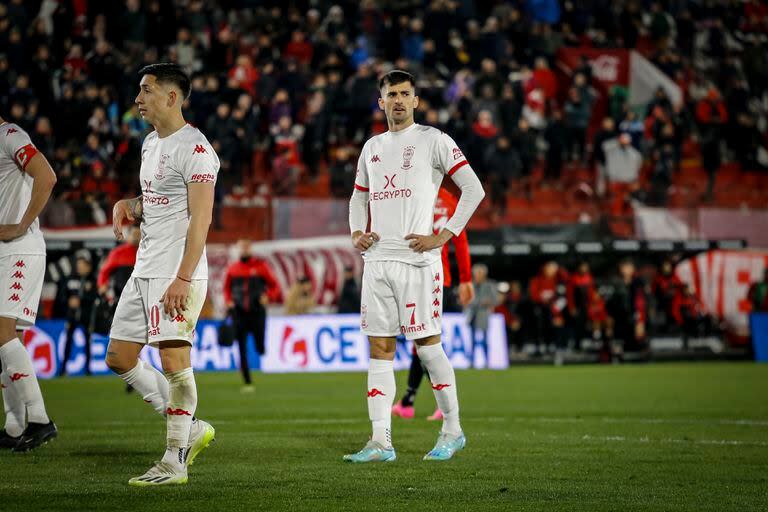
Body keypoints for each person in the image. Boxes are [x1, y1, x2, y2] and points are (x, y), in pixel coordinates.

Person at [345, 70, 484, 463]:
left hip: (418, 262)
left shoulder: (434, 140)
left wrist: (445, 235)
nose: (399, 100)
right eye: (392, 95)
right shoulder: (371, 147)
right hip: (378, 261)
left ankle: (452, 429)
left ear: (416, 101)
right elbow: (358, 198)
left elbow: (474, 189)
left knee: (426, 346)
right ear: (381, 102)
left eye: (406, 93)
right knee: (380, 348)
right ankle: (379, 442)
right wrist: (357, 231)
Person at [104, 63, 218, 486]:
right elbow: (155, 200)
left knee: (174, 361)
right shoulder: (151, 143)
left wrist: (184, 278)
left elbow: (201, 219)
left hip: (177, 272)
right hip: (145, 268)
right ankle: (188, 426)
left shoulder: (198, 150)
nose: (139, 98)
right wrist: (129, 206)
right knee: (119, 356)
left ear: (172, 97)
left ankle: (175, 461)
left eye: (147, 90)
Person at [0, 115, 58, 452]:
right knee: (7, 339)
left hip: (19, 248)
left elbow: (47, 176)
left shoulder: (9, 134)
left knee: (3, 333)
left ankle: (39, 420)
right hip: (6, 250)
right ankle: (14, 425)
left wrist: (22, 224)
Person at [392, 187, 475, 421]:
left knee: (424, 342)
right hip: (440, 278)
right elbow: (461, 242)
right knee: (420, 342)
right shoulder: (449, 200)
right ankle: (408, 402)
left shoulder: (411, 192)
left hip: (421, 276)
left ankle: (441, 404)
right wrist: (466, 280)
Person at [223, 239, 280, 391]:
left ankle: (261, 348)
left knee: (259, 344)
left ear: (250, 249)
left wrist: (269, 296)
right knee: (241, 347)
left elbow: (274, 286)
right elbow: (227, 289)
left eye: (246, 247)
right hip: (239, 313)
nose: (244, 250)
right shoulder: (233, 269)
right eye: (241, 247)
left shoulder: (261, 267)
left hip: (257, 312)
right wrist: (228, 301)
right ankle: (247, 381)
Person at [58, 250, 98, 376]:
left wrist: (81, 300)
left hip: (86, 317)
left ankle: (88, 369)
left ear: (88, 266)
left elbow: (94, 298)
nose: (80, 267)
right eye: (79, 265)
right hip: (72, 316)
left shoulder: (92, 280)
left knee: (87, 342)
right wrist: (68, 301)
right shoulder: (70, 279)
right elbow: (61, 296)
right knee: (68, 341)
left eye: (83, 265)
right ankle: (63, 368)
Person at [464, 263, 497, 368]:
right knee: (472, 340)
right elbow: (466, 299)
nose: (477, 276)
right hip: (473, 314)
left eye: (480, 274)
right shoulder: (470, 285)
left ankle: (487, 361)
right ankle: (472, 362)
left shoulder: (490, 285)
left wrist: (488, 302)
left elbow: (494, 299)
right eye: (476, 274)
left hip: (483, 315)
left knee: (484, 339)